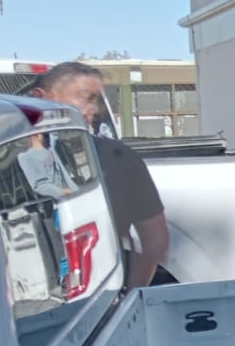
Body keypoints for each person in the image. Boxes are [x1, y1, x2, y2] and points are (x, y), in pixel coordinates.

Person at [31, 62, 170, 289]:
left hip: (102, 298)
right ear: (41, 98)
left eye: (97, 101)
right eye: (86, 98)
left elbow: (155, 240)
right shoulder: (2, 160)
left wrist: (128, 292)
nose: (94, 110)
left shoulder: (119, 159)